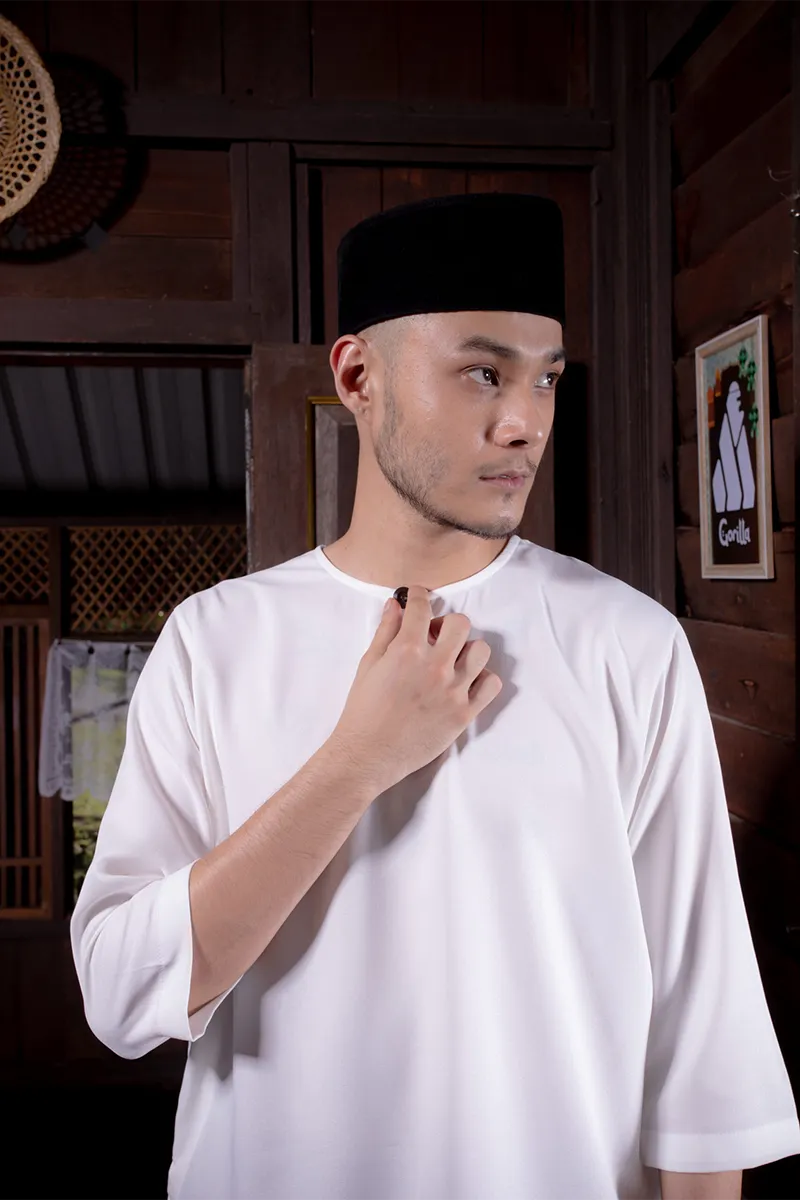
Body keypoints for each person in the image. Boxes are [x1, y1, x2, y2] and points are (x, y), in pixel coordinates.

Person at [71, 194, 800, 1200]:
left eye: (546, 378)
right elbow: (120, 992)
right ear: (356, 377)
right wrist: (355, 761)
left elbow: (699, 1025)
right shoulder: (216, 641)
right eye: (481, 372)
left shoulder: (628, 645)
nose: (524, 421)